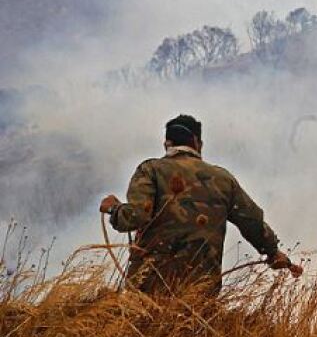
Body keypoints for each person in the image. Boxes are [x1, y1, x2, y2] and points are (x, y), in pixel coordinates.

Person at [99, 114, 300, 295]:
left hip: (151, 282)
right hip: (202, 285)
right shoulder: (222, 179)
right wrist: (272, 252)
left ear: (166, 144)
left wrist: (114, 208)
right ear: (198, 143)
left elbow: (135, 217)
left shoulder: (150, 170)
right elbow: (252, 221)